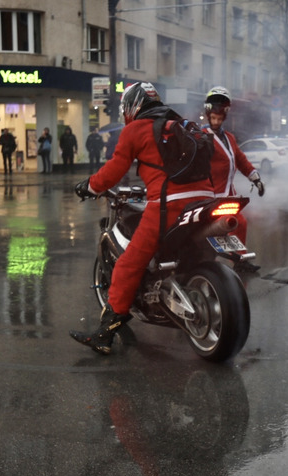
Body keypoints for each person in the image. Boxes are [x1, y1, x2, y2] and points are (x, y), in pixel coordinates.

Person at [69, 82, 217, 355]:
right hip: (207, 198)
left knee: (128, 263)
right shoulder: (181, 124)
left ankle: (104, 334)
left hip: (170, 205)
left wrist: (88, 186)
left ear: (132, 105)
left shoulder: (135, 129)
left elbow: (114, 170)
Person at [201, 86, 265, 273]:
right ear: (207, 113)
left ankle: (240, 260)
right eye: (213, 117)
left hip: (228, 195)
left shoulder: (229, 138)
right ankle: (206, 262)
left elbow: (241, 160)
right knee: (211, 229)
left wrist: (256, 179)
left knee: (240, 223)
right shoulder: (201, 137)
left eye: (220, 118)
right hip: (209, 196)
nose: (216, 121)